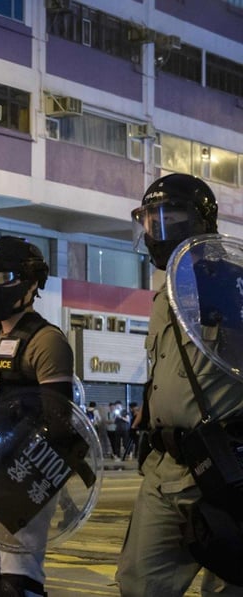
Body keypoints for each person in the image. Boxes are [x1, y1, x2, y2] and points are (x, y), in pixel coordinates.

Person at [116, 173, 243, 596]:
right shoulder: (163, 298)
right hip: (166, 466)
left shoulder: (234, 287)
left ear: (201, 221)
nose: (159, 231)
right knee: (140, 583)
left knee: (228, 585)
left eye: (171, 218)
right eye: (151, 220)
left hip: (225, 467)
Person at [0, 236, 74, 597]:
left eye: (3, 277)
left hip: (24, 472)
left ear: (31, 283)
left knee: (16, 584)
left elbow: (58, 418)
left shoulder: (45, 340)